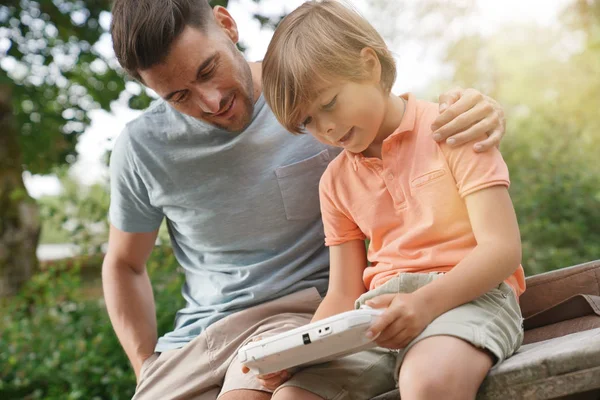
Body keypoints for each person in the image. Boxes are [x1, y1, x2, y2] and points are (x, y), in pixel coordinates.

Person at [105, 0, 512, 399]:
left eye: (209, 69)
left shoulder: (318, 90)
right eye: (178, 96)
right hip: (201, 340)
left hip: (295, 315)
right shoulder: (143, 148)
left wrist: (481, 109)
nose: (210, 102)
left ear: (227, 25)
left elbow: (400, 117)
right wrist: (146, 367)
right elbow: (123, 263)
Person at [259, 1, 525, 399]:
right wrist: (301, 349)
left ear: (369, 65)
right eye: (308, 121)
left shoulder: (454, 127)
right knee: (292, 396)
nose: (326, 128)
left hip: (471, 297)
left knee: (427, 382)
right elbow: (343, 293)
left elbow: (502, 250)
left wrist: (422, 304)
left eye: (329, 103)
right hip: (378, 316)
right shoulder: (334, 182)